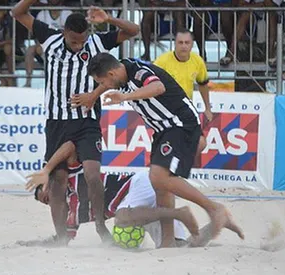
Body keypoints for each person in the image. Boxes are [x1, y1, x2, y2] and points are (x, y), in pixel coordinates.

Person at [11, 0, 139, 244]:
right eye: (74, 41)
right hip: (57, 121)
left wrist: (93, 95)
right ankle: (61, 238)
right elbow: (17, 12)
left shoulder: (97, 42)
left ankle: (102, 229)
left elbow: (134, 30)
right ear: (64, 33)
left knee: (93, 174)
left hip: (87, 120)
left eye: (82, 40)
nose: (79, 45)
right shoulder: (48, 38)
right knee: (58, 181)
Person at [87, 53, 242, 247]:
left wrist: (125, 97)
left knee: (159, 178)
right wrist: (92, 96)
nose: (105, 86)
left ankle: (214, 209)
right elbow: (107, 82)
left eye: (104, 82)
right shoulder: (121, 71)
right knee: (160, 187)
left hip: (179, 123)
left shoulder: (139, 72)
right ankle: (168, 243)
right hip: (162, 129)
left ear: (112, 73)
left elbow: (157, 87)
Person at [25, 141, 244, 248]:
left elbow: (70, 146)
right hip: (142, 211)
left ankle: (179, 214)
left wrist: (46, 170)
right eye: (43, 202)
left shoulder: (72, 174)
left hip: (139, 185)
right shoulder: (71, 215)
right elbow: (61, 240)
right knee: (180, 247)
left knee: (121, 217)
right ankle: (218, 223)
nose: (46, 199)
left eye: (43, 193)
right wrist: (31, 244)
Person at [154, 30, 212, 154]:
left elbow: (203, 84)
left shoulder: (197, 61)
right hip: (166, 112)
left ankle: (180, 165)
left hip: (186, 110)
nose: (184, 46)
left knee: (200, 143)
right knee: (167, 148)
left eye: (187, 42)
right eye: (180, 42)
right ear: (175, 44)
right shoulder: (162, 62)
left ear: (192, 44)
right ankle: (169, 168)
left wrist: (207, 108)